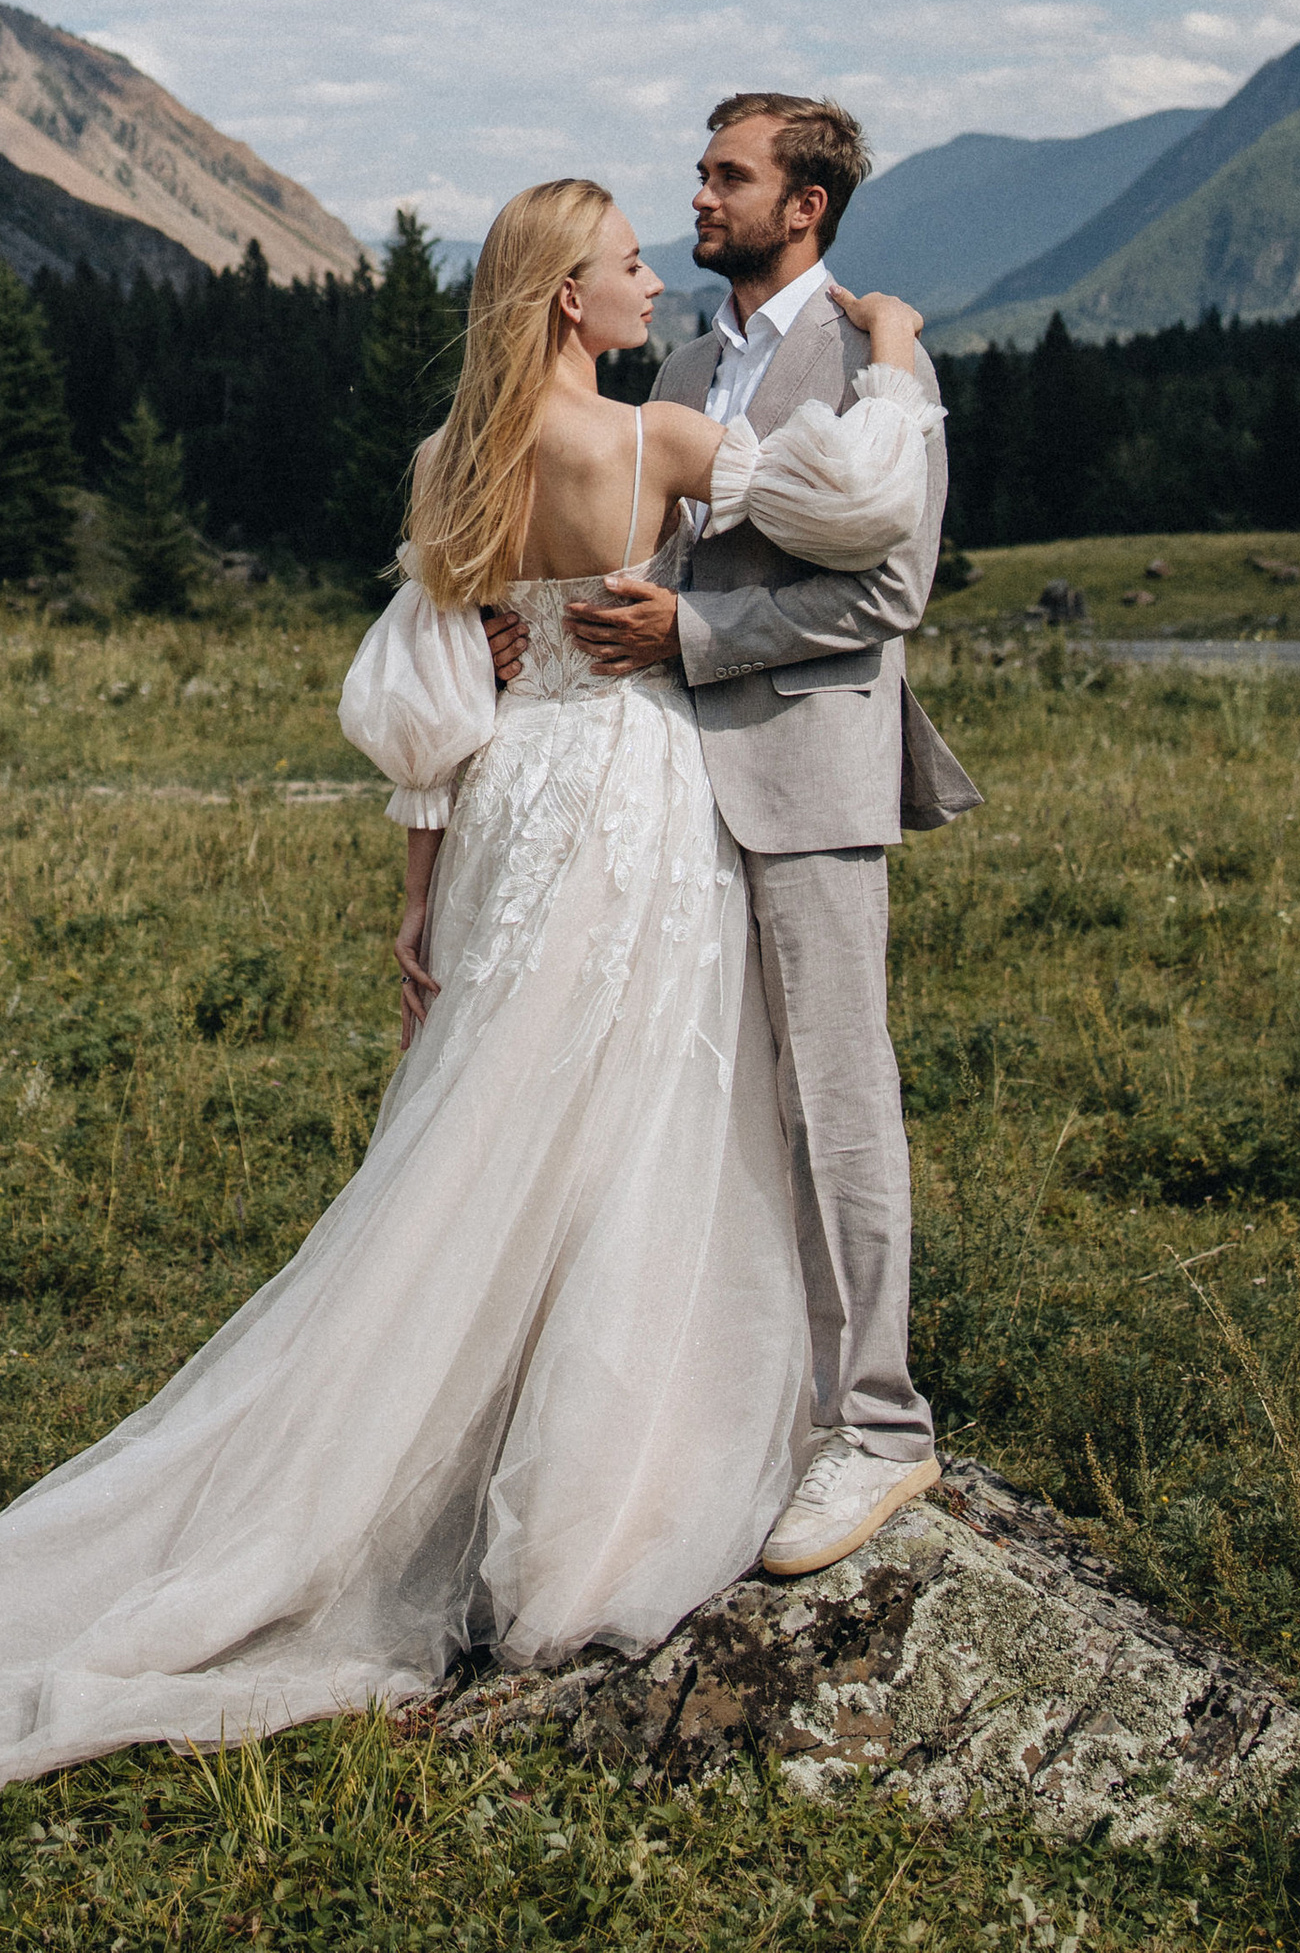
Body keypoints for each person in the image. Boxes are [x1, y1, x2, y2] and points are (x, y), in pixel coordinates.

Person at [0, 173, 948, 1802]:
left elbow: (431, 696)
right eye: (621, 268)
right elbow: (866, 505)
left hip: (510, 812)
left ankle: (424, 1455)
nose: (651, 280)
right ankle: (596, 1507)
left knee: (488, 1125)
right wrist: (893, 351)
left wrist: (419, 899)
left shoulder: (447, 466)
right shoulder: (654, 446)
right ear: (565, 304)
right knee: (642, 1127)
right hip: (641, 800)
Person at [556, 93, 977, 1581]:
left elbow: (892, 593)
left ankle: (880, 1424)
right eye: (704, 169)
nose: (703, 192)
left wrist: (700, 630)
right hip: (668, 784)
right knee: (706, 1101)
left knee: (836, 1096)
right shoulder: (679, 361)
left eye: (728, 175)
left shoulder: (869, 358)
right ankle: (749, 1406)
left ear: (805, 206)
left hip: (805, 774)